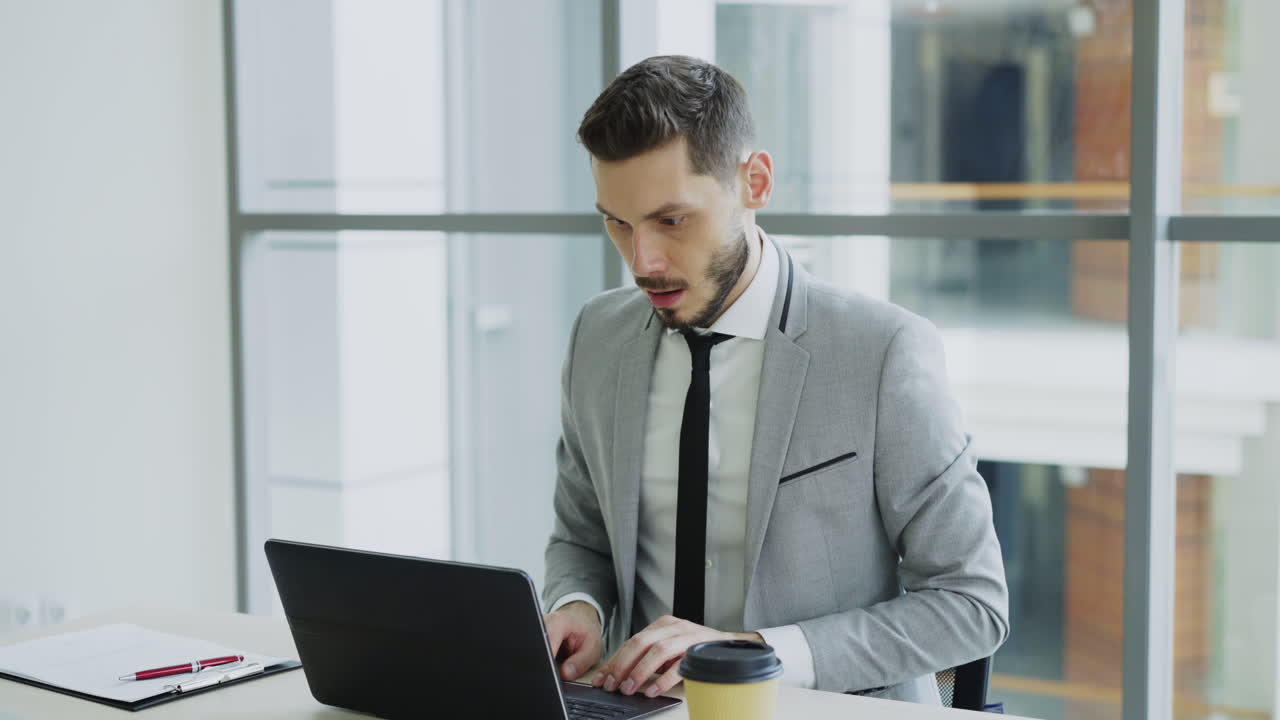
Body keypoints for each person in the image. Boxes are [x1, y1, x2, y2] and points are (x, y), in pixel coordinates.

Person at [541, 55, 1008, 704]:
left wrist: (755, 657)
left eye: (672, 220)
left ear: (754, 182)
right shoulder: (598, 336)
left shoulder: (883, 354)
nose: (642, 260)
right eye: (618, 222)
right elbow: (581, 536)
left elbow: (971, 603)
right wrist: (578, 606)